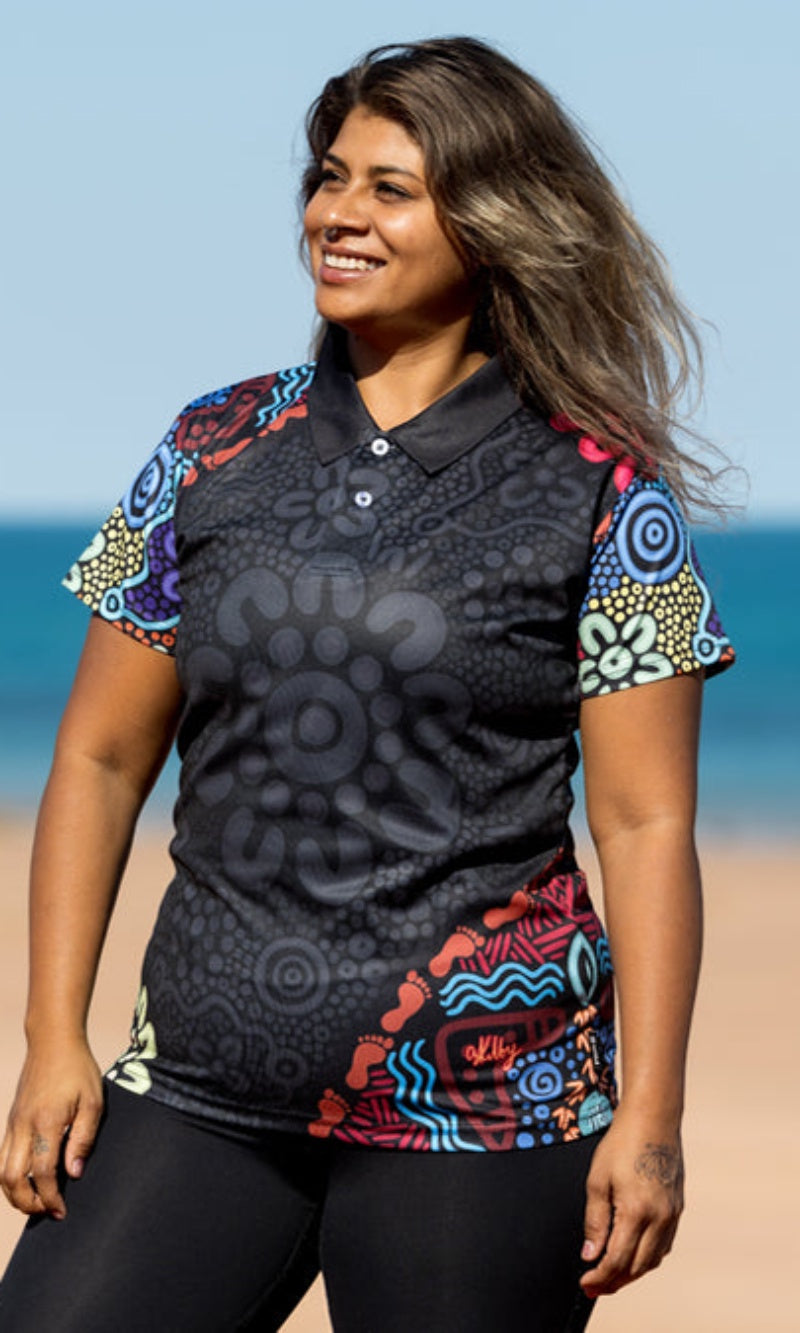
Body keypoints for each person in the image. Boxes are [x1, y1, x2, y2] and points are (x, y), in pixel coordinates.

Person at [0, 35, 734, 1333]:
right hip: (199, 1084)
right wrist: (51, 1033)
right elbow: (101, 761)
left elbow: (644, 822)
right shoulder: (211, 444)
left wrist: (652, 1117)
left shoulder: (605, 489)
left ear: (494, 219)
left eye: (390, 189)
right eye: (329, 178)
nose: (337, 213)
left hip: (485, 1110)